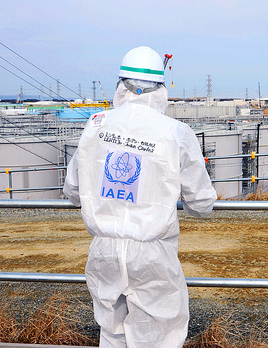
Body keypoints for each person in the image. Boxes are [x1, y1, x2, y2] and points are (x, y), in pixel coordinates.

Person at [63, 46, 217, 347]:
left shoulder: (96, 125)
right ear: (160, 89)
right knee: (158, 337)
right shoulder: (175, 132)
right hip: (152, 254)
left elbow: (72, 192)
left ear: (120, 86)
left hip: (103, 251)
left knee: (111, 333)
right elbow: (202, 204)